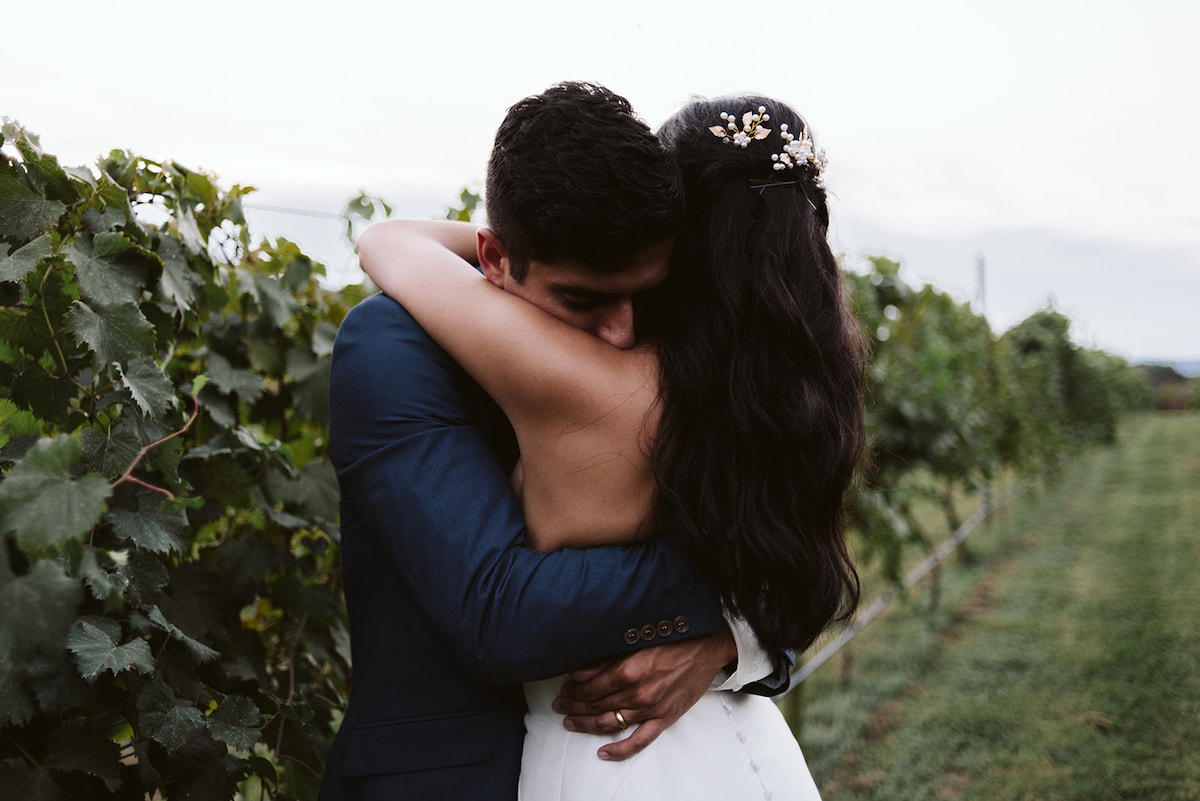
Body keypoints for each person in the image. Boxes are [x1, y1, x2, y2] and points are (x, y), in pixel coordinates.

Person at [355, 92, 866, 800]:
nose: (620, 328)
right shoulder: (781, 400)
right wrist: (730, 626)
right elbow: (788, 568)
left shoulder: (596, 384)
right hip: (748, 760)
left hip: (602, 766)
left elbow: (387, 241)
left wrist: (514, 233)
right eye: (584, 297)